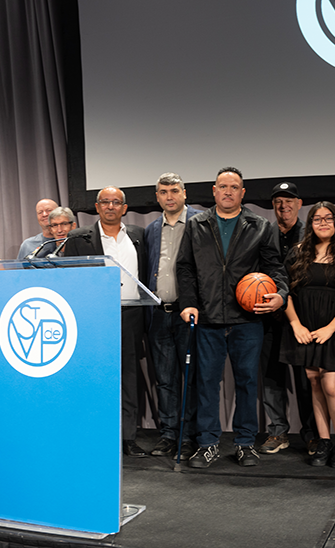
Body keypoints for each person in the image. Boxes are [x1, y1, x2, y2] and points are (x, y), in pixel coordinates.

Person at [177, 167, 288, 469]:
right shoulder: (196, 224)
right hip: (208, 318)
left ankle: (245, 443)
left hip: (247, 319)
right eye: (222, 186)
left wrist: (280, 294)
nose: (228, 191)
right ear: (214, 191)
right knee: (207, 384)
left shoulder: (261, 226)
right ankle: (208, 443)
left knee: (248, 383)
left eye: (234, 187)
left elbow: (275, 268)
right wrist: (188, 303)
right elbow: (185, 267)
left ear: (243, 192)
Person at [61, 187, 152, 457]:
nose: (110, 206)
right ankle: (96, 436)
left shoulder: (138, 235)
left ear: (124, 208)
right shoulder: (78, 237)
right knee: (94, 377)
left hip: (131, 315)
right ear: (96, 207)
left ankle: (128, 437)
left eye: (116, 202)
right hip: (94, 317)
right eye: (105, 202)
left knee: (128, 377)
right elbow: (69, 280)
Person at [283, 202, 335, 467]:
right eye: (317, 219)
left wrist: (331, 328)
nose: (323, 222)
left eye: (329, 218)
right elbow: (286, 294)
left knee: (331, 385)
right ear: (310, 223)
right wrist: (296, 325)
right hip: (305, 328)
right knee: (314, 382)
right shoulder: (297, 253)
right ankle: (323, 441)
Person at [143, 173, 202, 460]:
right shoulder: (152, 229)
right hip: (159, 313)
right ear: (158, 197)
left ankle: (189, 436)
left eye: (174, 191)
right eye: (164, 192)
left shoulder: (201, 221)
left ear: (184, 193)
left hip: (189, 314)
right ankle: (168, 435)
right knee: (165, 380)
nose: (170, 196)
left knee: (191, 377)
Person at [260, 181, 317, 456]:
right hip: (270, 317)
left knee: (306, 379)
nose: (284, 206)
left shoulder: (313, 233)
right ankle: (277, 431)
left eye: (289, 200)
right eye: (278, 201)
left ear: (299, 203)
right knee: (271, 377)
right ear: (273, 205)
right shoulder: (262, 232)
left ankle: (311, 434)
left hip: (302, 317)